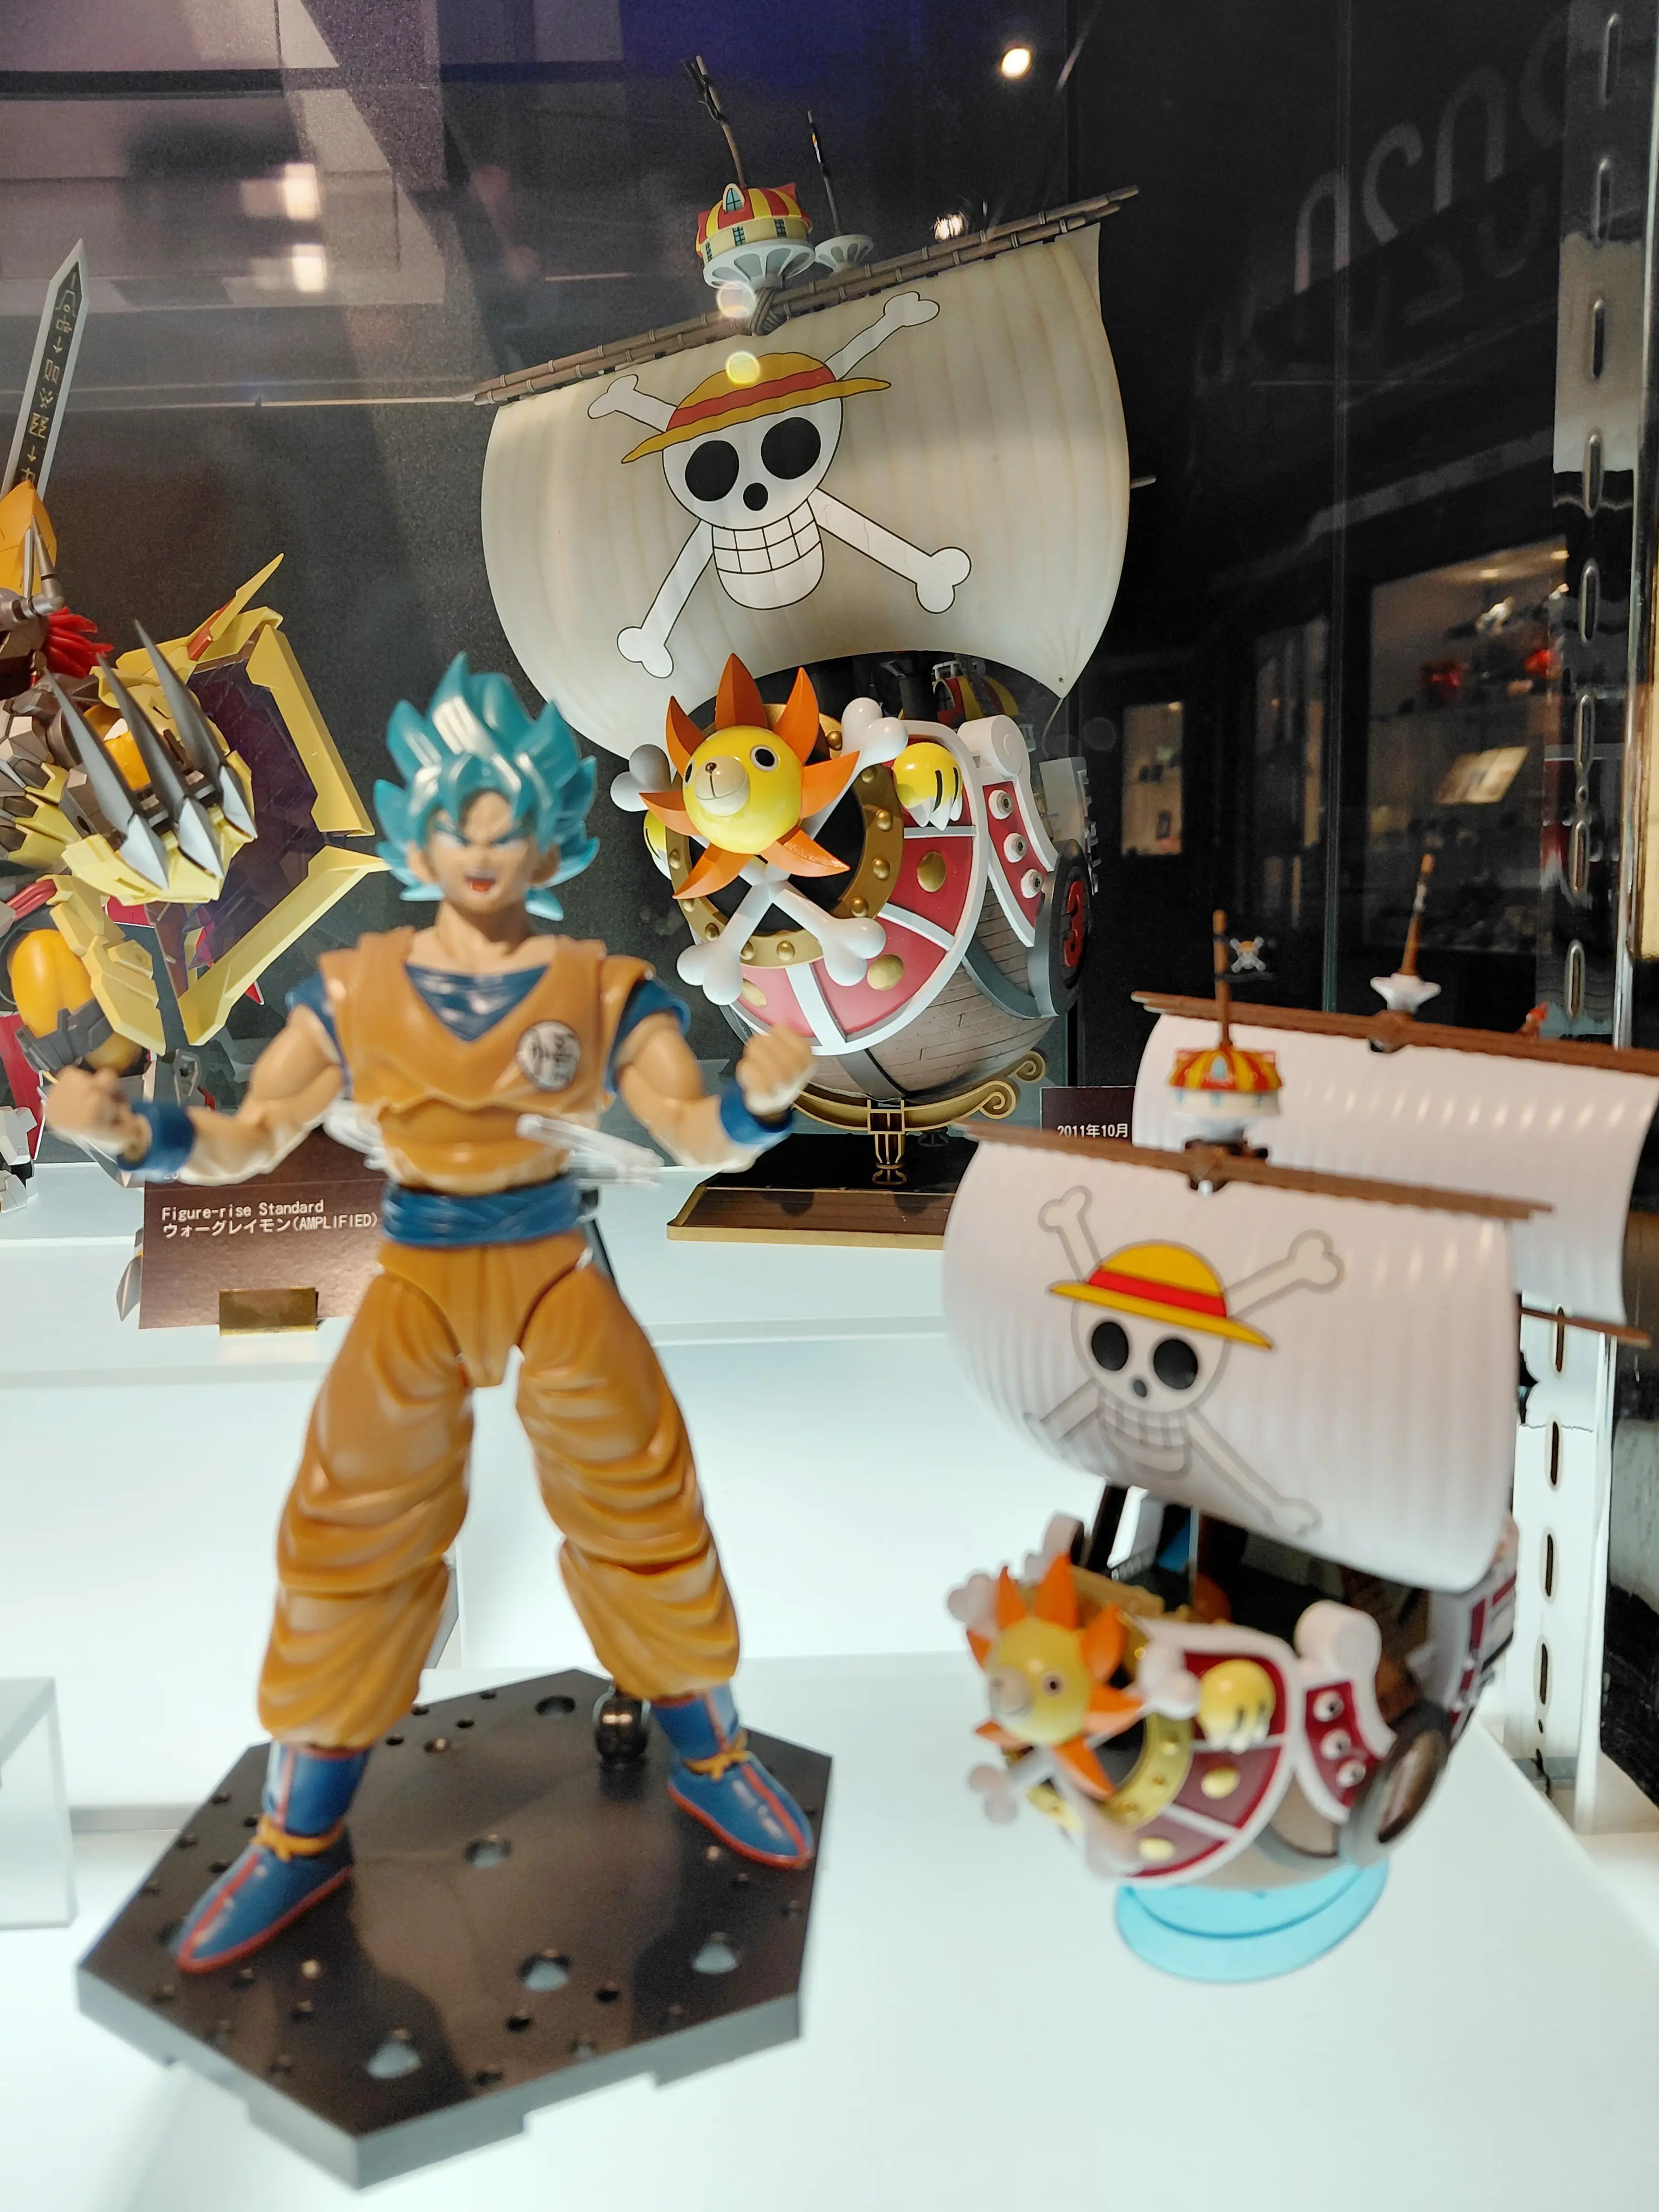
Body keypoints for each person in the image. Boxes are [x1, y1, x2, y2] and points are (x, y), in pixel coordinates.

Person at [47, 656, 818, 1973]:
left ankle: (712, 1754)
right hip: (418, 1274)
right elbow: (250, 1139)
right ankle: (298, 1834)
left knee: (642, 1499)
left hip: (551, 1263)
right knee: (349, 1529)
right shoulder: (357, 994)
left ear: (548, 839)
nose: (482, 845)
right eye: (459, 817)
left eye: (508, 819)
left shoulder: (599, 988)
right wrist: (143, 1134)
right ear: (420, 834)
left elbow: (687, 1129)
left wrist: (755, 1102)